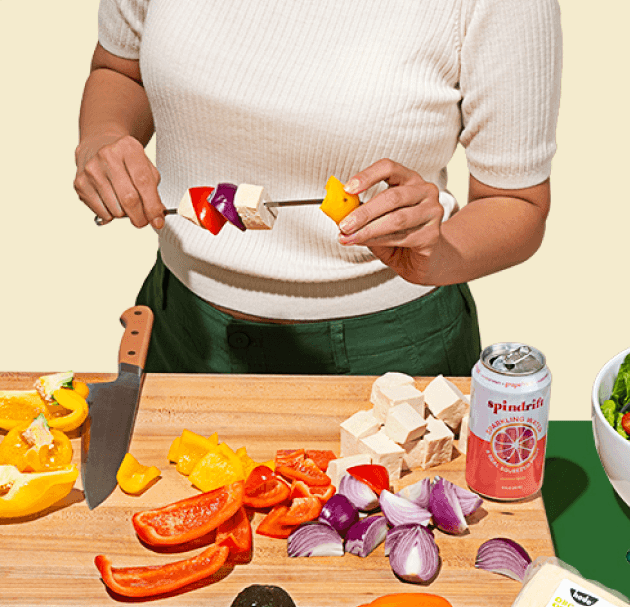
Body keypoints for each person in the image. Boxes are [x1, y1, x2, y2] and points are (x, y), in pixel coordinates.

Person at [74, 0, 562, 376]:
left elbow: (516, 203)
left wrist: (436, 255)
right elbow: (119, 69)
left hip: (392, 353)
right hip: (178, 328)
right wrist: (103, 138)